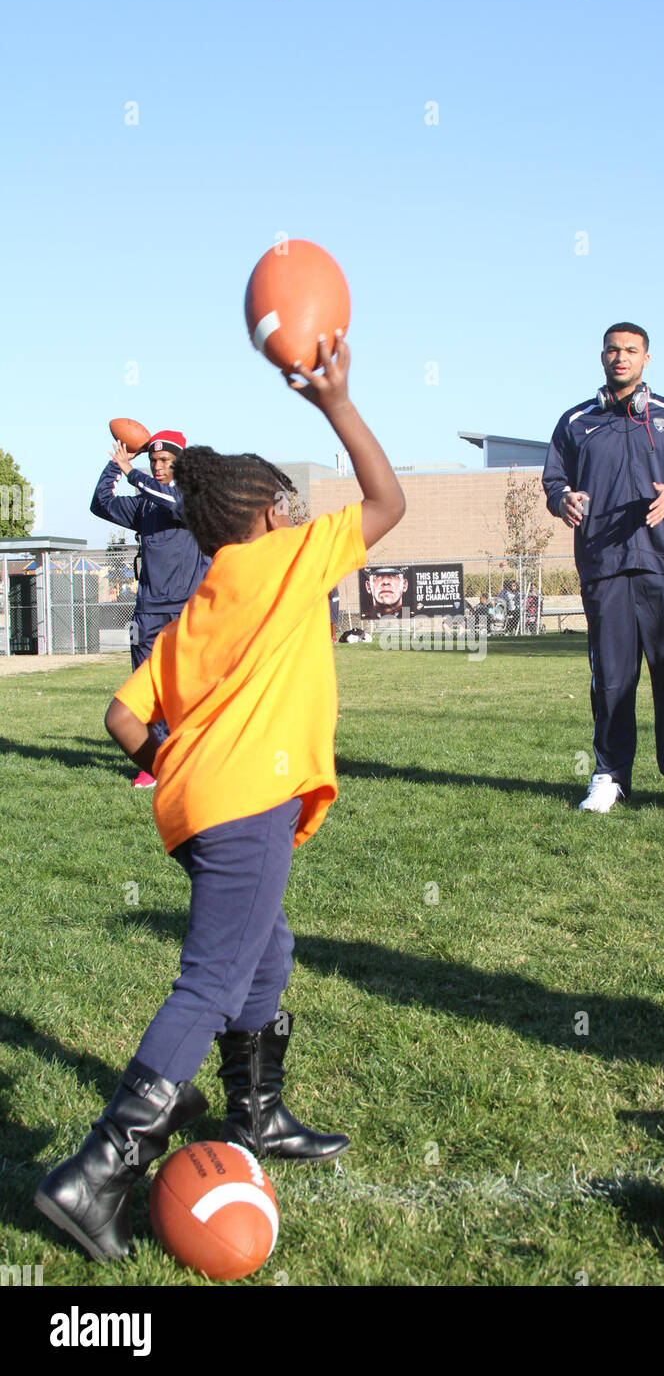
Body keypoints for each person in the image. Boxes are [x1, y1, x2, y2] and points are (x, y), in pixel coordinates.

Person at [35, 332, 406, 1262]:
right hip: (248, 807)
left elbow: (123, 719)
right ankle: (97, 1172)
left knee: (265, 950)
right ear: (271, 511)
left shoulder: (203, 599)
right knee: (210, 978)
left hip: (199, 810)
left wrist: (176, 751)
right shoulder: (286, 562)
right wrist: (334, 402)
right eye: (285, 502)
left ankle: (258, 1114)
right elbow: (388, 500)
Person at [542, 322, 664, 813]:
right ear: (602, 358)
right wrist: (563, 500)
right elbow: (553, 479)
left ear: (646, 359)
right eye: (614, 350)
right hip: (604, 567)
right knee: (612, 680)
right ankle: (610, 776)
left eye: (631, 350)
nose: (622, 357)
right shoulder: (576, 421)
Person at [90, 431, 210, 787]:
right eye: (152, 461)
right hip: (147, 613)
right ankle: (159, 761)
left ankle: (201, 754)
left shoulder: (191, 499)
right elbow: (101, 503)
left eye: (165, 462)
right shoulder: (144, 505)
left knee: (188, 686)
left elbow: (166, 497)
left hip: (188, 612)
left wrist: (131, 473)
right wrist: (116, 463)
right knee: (148, 688)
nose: (157, 467)